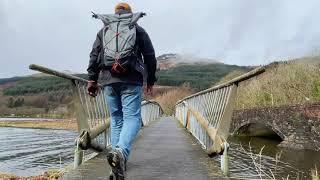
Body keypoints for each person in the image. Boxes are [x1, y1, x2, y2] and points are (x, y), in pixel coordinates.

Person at [86, 2, 157, 179]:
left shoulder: (104, 30)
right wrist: (150, 80)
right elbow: (150, 56)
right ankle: (121, 153)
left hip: (108, 79)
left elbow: (94, 55)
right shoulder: (136, 29)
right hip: (131, 78)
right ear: (129, 13)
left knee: (117, 118)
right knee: (132, 117)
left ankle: (116, 160)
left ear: (115, 13)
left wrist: (92, 79)